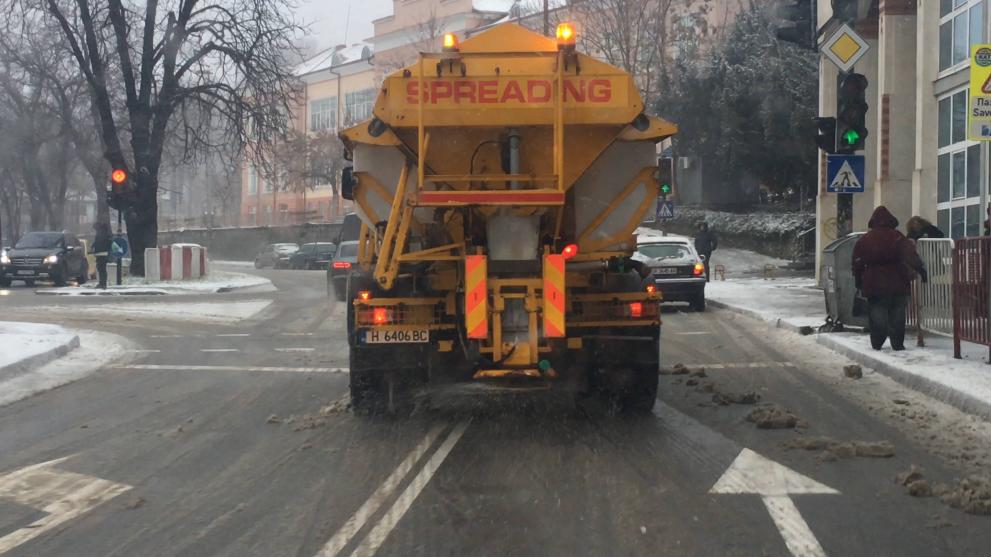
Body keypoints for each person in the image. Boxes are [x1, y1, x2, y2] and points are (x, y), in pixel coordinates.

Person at [852, 206, 927, 351]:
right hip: (898, 280)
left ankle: (877, 341)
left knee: (877, 313)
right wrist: (921, 270)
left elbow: (857, 261)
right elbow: (910, 255)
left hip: (874, 282)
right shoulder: (898, 237)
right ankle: (897, 343)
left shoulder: (865, 239)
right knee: (898, 313)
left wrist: (858, 280)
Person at [91, 222, 111, 289]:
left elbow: (98, 243)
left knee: (101, 269)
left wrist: (94, 247)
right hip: (102, 253)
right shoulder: (103, 233)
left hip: (101, 254)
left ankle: (103, 283)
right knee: (101, 269)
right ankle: (102, 283)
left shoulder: (101, 234)